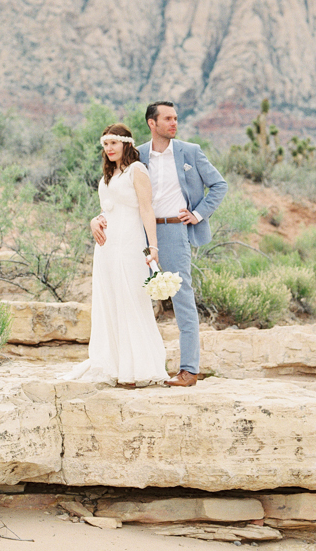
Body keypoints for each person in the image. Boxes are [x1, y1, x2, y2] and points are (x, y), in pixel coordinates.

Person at [91, 101, 227, 387]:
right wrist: (100, 218)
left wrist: (198, 213)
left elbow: (219, 185)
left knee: (182, 299)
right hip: (139, 234)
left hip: (176, 232)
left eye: (176, 118)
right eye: (168, 119)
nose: (174, 123)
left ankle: (189, 370)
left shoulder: (190, 152)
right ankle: (137, 366)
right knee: (133, 298)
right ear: (152, 124)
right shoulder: (137, 155)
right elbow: (122, 196)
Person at [66, 123, 169, 387]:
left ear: (126, 143)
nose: (109, 149)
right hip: (107, 249)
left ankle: (136, 370)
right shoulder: (108, 175)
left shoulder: (137, 170)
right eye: (105, 144)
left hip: (129, 245)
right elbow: (109, 209)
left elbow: (146, 210)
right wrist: (95, 220)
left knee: (131, 301)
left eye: (113, 143)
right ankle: (115, 365)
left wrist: (152, 248)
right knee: (109, 302)